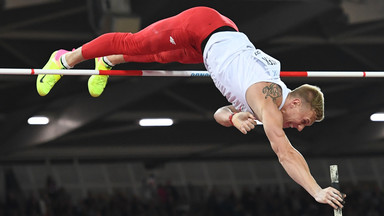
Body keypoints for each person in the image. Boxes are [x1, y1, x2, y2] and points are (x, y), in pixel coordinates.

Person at [36, 6, 346, 209]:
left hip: (215, 41)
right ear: (293, 102)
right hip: (203, 25)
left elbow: (219, 114)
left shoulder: (266, 103)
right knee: (135, 43)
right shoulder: (268, 101)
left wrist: (235, 116)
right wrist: (316, 190)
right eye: (303, 120)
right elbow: (285, 152)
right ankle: (65, 58)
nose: (300, 127)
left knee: (160, 57)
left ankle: (108, 61)